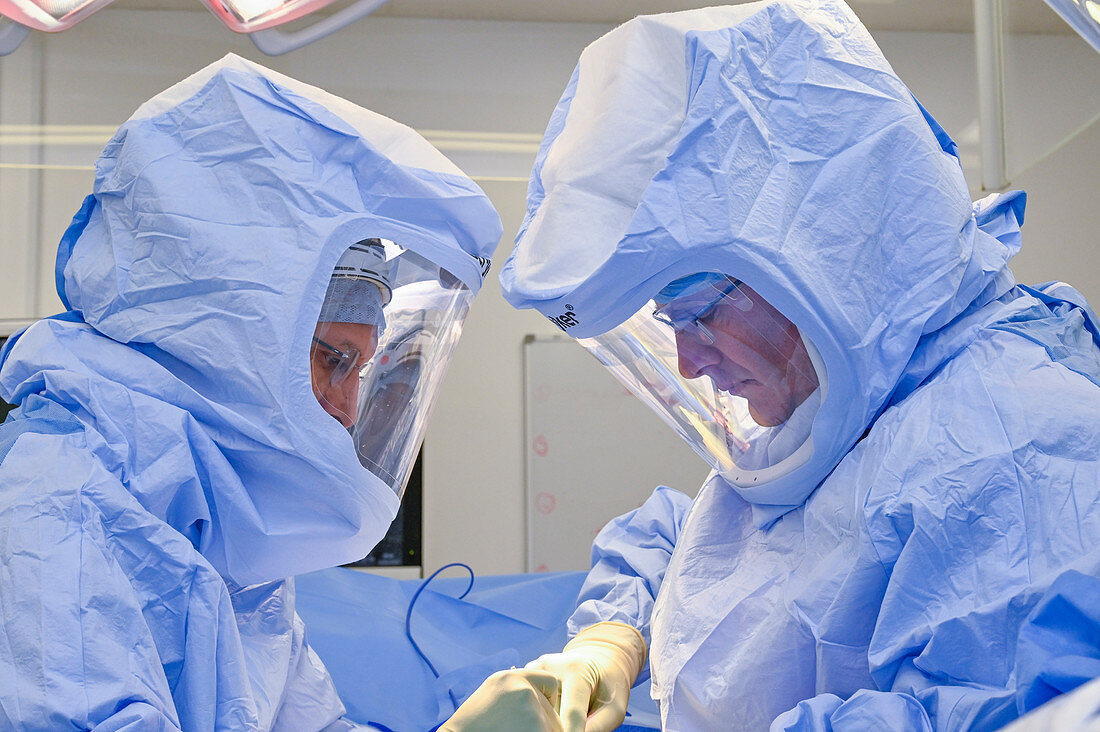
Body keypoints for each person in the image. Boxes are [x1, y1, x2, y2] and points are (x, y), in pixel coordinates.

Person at [498, 1, 1100, 730]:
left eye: (700, 312)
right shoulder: (851, 416)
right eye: (667, 323)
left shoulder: (1021, 446)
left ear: (828, 253)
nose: (688, 359)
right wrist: (610, 638)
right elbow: (721, 543)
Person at [0, 53, 530, 730]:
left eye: (362, 368)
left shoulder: (228, 530)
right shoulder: (58, 510)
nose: (346, 408)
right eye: (331, 358)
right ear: (216, 335)